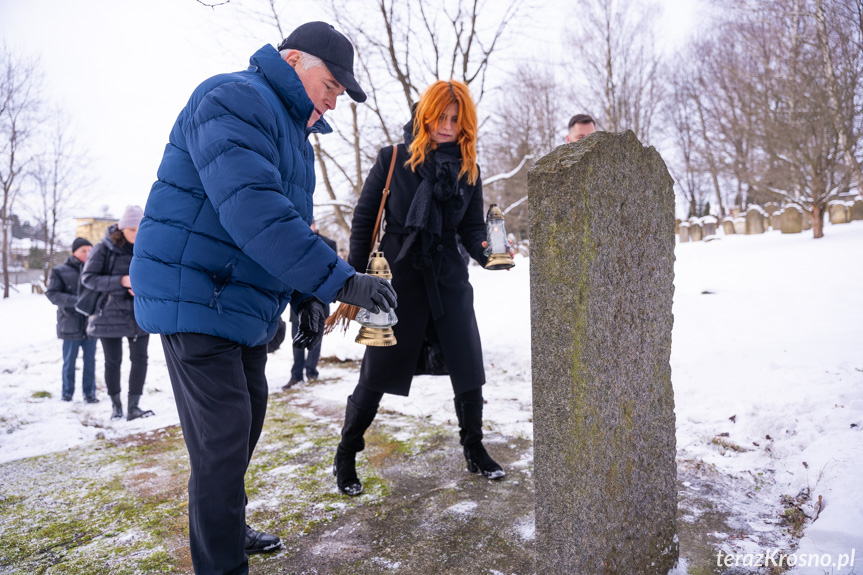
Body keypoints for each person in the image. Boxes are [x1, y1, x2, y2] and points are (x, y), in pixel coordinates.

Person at [129, 21, 396, 575]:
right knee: (223, 441)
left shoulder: (294, 137)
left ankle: (226, 523)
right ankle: (221, 563)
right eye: (332, 81)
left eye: (343, 90)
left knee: (243, 425)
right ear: (293, 59)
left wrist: (306, 295)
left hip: (238, 301)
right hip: (196, 292)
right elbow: (253, 210)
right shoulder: (233, 97)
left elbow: (287, 223)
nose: (336, 94)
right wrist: (342, 282)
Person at [333, 80, 506, 498]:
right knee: (375, 375)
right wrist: (356, 281)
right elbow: (363, 221)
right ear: (425, 115)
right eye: (440, 117)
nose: (447, 126)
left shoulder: (469, 169)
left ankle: (473, 447)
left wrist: (491, 252)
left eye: (455, 119)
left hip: (448, 280)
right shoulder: (393, 158)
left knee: (469, 368)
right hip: (398, 283)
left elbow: (471, 229)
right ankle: (347, 452)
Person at [81, 205, 153, 421]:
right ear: (121, 229)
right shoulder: (103, 248)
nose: (136, 233)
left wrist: (142, 287)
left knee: (140, 359)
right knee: (113, 361)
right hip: (108, 315)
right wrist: (121, 281)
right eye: (131, 229)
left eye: (140, 228)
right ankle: (116, 406)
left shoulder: (148, 246)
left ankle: (134, 407)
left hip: (139, 313)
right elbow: (88, 278)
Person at [283, 222, 338, 389]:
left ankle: (311, 371)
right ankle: (296, 375)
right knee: (296, 338)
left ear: (314, 224)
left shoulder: (329, 244)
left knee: (316, 338)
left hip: (320, 300)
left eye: (310, 223)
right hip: (299, 300)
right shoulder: (293, 243)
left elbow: (333, 271)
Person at [45, 237, 98, 403]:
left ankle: (89, 394)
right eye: (84, 250)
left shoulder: (95, 271)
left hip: (91, 325)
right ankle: (67, 393)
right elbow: (52, 294)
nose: (88, 254)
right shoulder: (59, 271)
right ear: (74, 251)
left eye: (90, 250)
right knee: (69, 362)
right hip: (69, 324)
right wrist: (78, 302)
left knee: (90, 362)